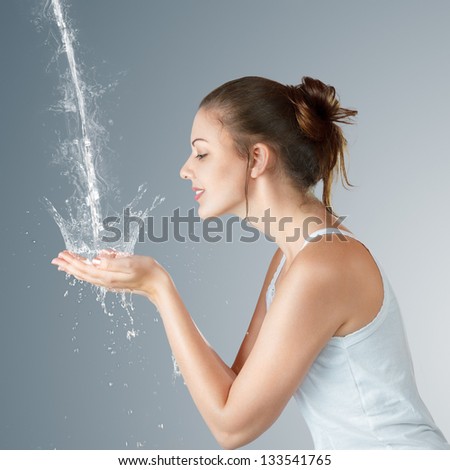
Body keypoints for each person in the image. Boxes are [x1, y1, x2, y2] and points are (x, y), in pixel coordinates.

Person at [51, 76, 450, 450]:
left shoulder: (324, 267)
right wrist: (154, 286)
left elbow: (232, 427)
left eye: (202, 152)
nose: (185, 169)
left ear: (257, 158)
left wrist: (158, 287)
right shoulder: (290, 260)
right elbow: (233, 391)